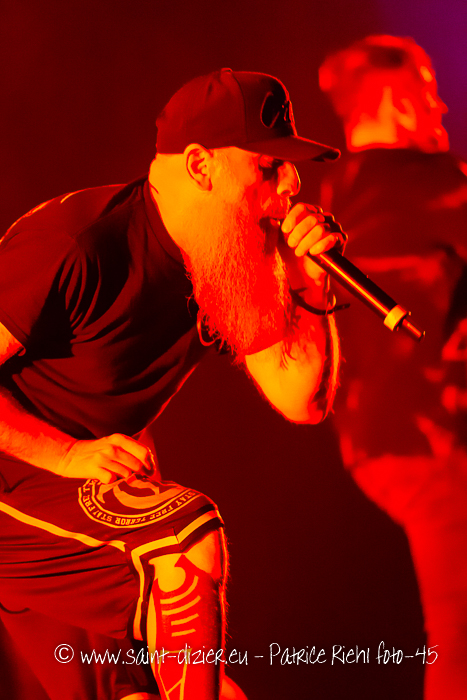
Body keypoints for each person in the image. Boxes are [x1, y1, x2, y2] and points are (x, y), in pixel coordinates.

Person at [0, 68, 342, 700]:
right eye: (269, 168)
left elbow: (304, 398)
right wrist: (67, 454)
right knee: (187, 533)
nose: (291, 188)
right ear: (201, 166)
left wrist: (306, 279)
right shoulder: (77, 244)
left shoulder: (223, 264)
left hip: (75, 512)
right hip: (22, 479)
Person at [319, 36, 467, 700]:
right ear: (397, 100)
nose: (441, 105)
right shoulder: (441, 184)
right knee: (459, 638)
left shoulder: (325, 197)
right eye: (428, 89)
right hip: (437, 438)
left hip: (369, 442)